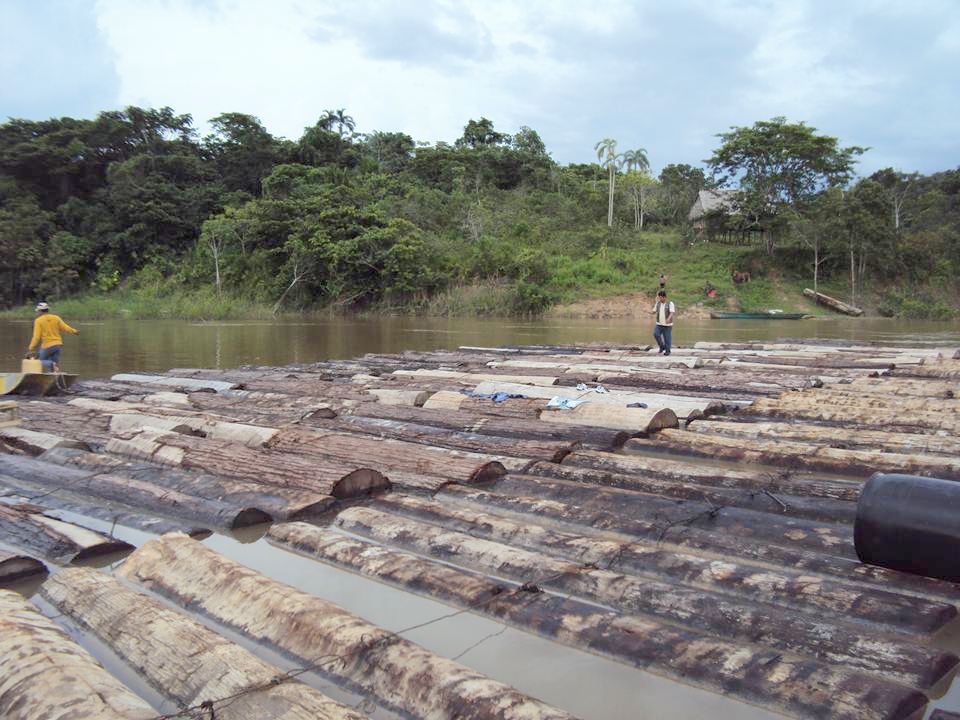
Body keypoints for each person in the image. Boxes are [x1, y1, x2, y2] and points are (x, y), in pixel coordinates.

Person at [26, 302, 79, 372]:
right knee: (54, 368)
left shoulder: (38, 321)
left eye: (37, 311)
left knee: (38, 362)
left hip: (47, 346)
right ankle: (53, 376)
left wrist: (31, 347)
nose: (37, 313)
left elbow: (36, 337)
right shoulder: (56, 318)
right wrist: (74, 331)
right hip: (58, 345)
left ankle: (51, 364)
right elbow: (65, 327)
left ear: (40, 311)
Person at [652, 290, 675, 355]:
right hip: (659, 324)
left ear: (664, 297)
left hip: (668, 325)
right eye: (659, 297)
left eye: (660, 297)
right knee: (656, 334)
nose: (660, 299)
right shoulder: (658, 303)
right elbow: (654, 311)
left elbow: (672, 312)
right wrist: (652, 311)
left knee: (667, 338)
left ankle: (667, 351)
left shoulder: (670, 303)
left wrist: (668, 318)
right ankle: (662, 347)